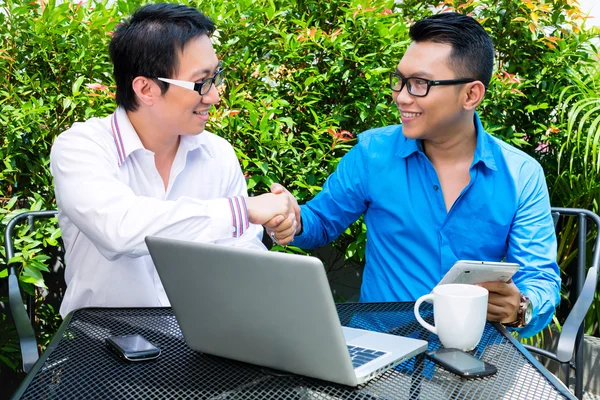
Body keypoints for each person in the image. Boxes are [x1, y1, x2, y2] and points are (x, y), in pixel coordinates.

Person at [267, 12, 560, 337]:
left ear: (471, 95)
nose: (401, 96)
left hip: (476, 353)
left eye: (420, 84)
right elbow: (320, 222)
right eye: (400, 80)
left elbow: (540, 278)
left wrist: (522, 308)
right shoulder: (372, 154)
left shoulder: (521, 175)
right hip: (382, 349)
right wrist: (290, 218)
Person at [50, 3, 297, 317]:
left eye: (216, 77)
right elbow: (120, 229)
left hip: (199, 339)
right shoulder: (82, 147)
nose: (215, 96)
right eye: (201, 82)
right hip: (100, 340)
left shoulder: (217, 154)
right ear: (146, 89)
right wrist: (242, 210)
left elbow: (241, 255)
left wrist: (276, 224)